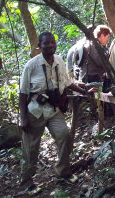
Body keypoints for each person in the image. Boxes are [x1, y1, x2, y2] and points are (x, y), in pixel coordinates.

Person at [19, 32, 95, 195]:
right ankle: (27, 181)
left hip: (53, 110)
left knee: (64, 136)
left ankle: (63, 173)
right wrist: (23, 117)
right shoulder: (31, 66)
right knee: (31, 147)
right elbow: (23, 93)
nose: (50, 45)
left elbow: (67, 82)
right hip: (35, 111)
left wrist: (84, 90)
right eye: (46, 43)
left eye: (52, 42)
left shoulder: (59, 60)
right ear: (39, 46)